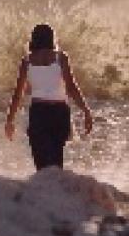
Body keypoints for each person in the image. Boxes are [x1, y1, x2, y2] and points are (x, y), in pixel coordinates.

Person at [5, 24, 94, 170]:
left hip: (39, 113)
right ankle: (55, 190)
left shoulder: (27, 61)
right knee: (56, 160)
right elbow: (71, 87)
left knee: (41, 164)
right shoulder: (61, 58)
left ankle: (44, 190)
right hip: (60, 112)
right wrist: (86, 111)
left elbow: (18, 94)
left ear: (33, 40)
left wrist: (10, 120)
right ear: (52, 39)